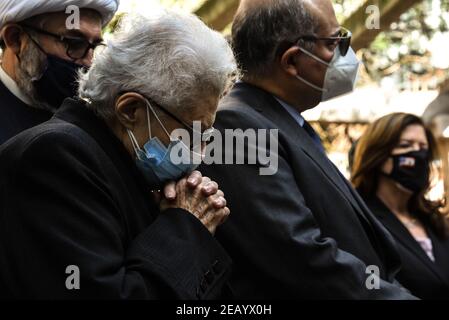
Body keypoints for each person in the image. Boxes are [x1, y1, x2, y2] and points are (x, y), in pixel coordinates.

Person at [0, 10, 237, 299]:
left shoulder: (128, 161)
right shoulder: (54, 157)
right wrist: (186, 225)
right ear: (130, 110)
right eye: (191, 131)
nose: (198, 149)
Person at [200, 0, 417, 299]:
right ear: (291, 61)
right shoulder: (238, 126)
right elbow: (299, 255)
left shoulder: (281, 121)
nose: (345, 54)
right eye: (334, 42)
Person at [351, 113, 449, 299]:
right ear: (378, 155)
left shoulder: (435, 219)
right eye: (405, 146)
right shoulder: (360, 218)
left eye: (423, 148)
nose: (417, 154)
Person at [0, 0, 119, 145]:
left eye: (94, 46)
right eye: (74, 43)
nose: (89, 61)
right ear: (15, 39)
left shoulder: (95, 120)